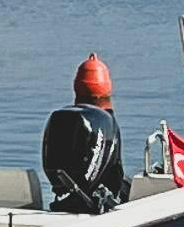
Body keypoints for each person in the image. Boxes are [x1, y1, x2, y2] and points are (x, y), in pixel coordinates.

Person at [40, 51, 129, 213]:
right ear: (107, 88)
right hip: (97, 207)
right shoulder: (106, 120)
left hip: (66, 201)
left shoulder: (62, 118)